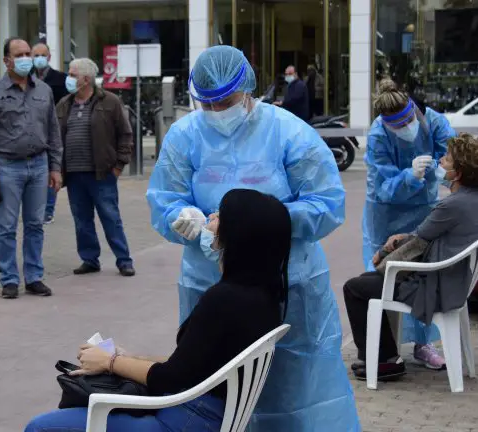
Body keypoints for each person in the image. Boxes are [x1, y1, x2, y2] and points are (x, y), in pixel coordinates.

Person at [146, 45, 359, 431]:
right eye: (206, 104)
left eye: (224, 102)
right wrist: (182, 217)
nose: (215, 113)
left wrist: (242, 224)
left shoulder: (289, 132)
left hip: (287, 283)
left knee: (299, 385)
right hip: (210, 282)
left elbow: (326, 203)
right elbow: (165, 197)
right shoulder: (185, 135)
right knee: (213, 384)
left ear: (247, 89)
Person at [24, 189, 289, 432]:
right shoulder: (264, 298)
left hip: (181, 420)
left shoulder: (224, 299)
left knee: (41, 427)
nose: (212, 216)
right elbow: (193, 364)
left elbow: (170, 379)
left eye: (221, 214)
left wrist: (110, 363)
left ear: (240, 233)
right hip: (201, 415)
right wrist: (129, 357)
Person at [345, 133, 478, 380]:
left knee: (355, 287)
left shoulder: (453, 205)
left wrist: (385, 253)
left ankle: (385, 360)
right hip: (455, 283)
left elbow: (417, 241)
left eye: (447, 160)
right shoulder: (471, 200)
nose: (440, 163)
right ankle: (383, 354)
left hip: (435, 287)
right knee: (368, 281)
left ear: (458, 173)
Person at [362, 79, 456, 370]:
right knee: (383, 274)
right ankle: (384, 347)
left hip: (424, 210)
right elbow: (384, 187)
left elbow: (451, 155)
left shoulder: (433, 122)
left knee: (424, 274)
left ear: (414, 109)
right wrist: (409, 176)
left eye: (408, 121)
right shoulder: (378, 135)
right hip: (386, 213)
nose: (406, 129)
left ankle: (423, 344)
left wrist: (441, 171)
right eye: (397, 126)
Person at [0, 37, 63, 299]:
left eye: (29, 53)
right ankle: (9, 278)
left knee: (36, 223)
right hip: (7, 166)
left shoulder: (44, 90)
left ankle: (34, 276)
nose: (26, 58)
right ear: (6, 61)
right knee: (6, 226)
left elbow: (53, 131)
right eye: (20, 54)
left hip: (39, 163)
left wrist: (55, 167)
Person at [56, 58, 135, 277]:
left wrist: (119, 165)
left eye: (73, 75)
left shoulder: (110, 102)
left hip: (102, 173)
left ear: (86, 79)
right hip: (73, 174)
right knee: (81, 220)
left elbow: (125, 134)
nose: (68, 79)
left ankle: (124, 260)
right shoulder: (64, 104)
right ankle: (89, 259)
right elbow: (55, 137)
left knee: (110, 217)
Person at [32, 42, 69, 224]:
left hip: (52, 132)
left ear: (49, 57)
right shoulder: (25, 79)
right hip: (30, 132)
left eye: (42, 55)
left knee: (52, 170)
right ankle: (35, 207)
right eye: (35, 55)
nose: (39, 59)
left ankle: (48, 210)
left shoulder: (61, 79)